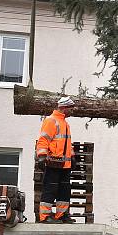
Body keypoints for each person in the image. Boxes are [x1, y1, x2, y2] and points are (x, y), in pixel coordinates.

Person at [35, 96, 76, 224]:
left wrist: (72, 156)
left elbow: (67, 144)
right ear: (64, 108)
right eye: (71, 108)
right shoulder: (51, 121)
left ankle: (61, 215)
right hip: (53, 163)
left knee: (64, 191)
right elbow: (43, 140)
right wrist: (42, 156)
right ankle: (45, 216)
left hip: (64, 165)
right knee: (49, 190)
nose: (72, 111)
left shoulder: (65, 123)